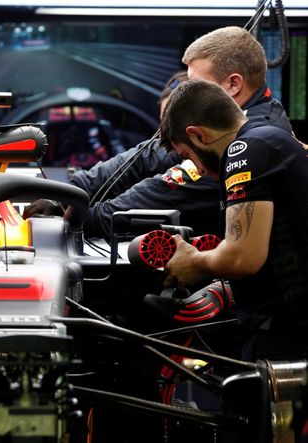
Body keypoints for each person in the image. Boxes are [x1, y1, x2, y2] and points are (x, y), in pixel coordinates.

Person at [28, 27, 293, 240]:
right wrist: (68, 193)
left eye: (195, 83)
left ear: (233, 84)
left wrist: (83, 218)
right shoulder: (228, 119)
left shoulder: (248, 141)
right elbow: (146, 157)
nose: (187, 91)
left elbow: (166, 191)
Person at [160, 79, 308, 360]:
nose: (198, 170)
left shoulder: (246, 150)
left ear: (198, 135)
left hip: (288, 336)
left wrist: (194, 261)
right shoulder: (272, 139)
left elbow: (243, 257)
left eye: (187, 156)